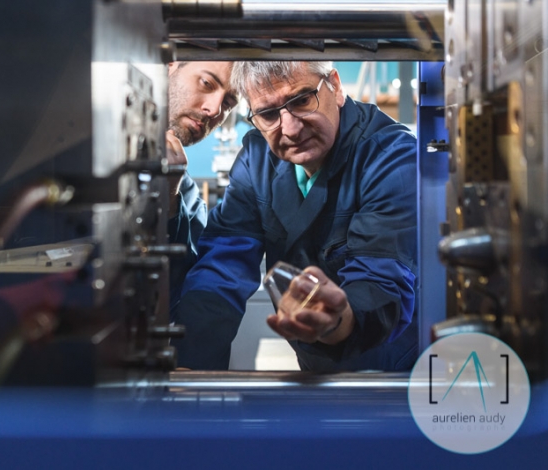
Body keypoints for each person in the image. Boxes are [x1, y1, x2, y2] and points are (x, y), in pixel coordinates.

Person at [171, 61, 418, 372]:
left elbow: (381, 283)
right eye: (268, 114)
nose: (290, 128)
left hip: (392, 375)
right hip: (315, 370)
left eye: (302, 100)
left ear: (335, 86)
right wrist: (189, 367)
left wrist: (337, 319)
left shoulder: (391, 157)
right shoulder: (257, 159)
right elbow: (221, 269)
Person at [165, 61, 238, 316]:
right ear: (169, 65)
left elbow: (175, 297)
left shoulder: (189, 202)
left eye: (228, 103)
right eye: (207, 83)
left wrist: (169, 200)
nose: (214, 109)